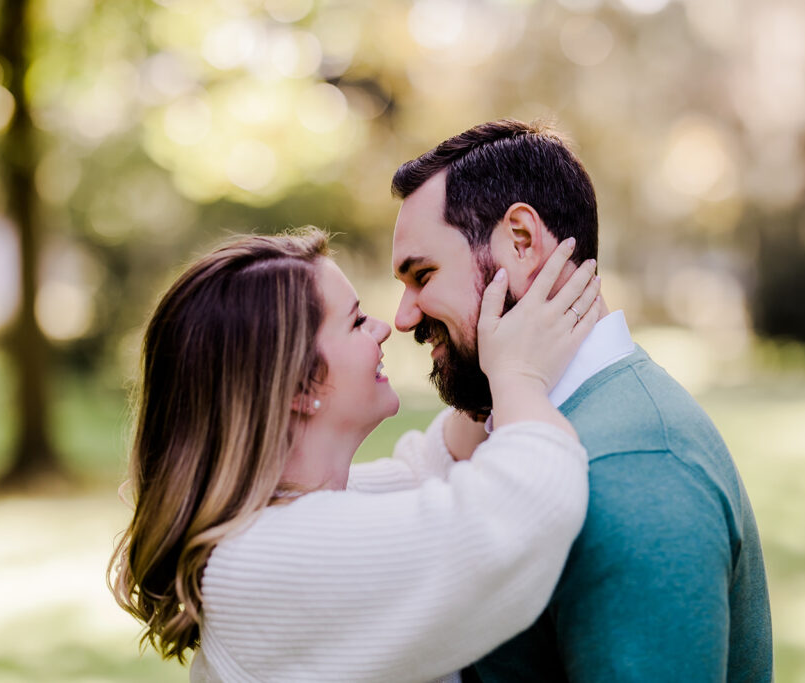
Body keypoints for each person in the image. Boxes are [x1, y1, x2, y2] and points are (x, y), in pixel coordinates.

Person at [107, 228, 603, 682]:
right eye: (356, 321)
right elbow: (524, 507)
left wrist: (491, 346)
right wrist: (519, 377)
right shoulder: (264, 562)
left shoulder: (282, 518)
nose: (384, 328)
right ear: (299, 386)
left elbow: (429, 468)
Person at [390, 119, 773, 681]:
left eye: (423, 275)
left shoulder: (636, 471)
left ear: (521, 241)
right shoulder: (533, 424)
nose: (403, 318)